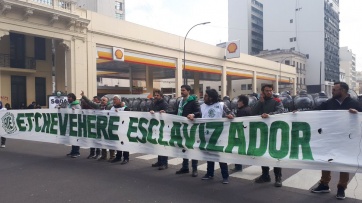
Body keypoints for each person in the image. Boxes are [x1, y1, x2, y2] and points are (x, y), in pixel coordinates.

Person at [311, 82, 361, 200]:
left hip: (347, 138)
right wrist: (296, 113)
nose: (332, 91)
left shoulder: (355, 103)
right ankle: (324, 184)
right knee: (326, 160)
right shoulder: (329, 102)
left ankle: (341, 188)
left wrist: (357, 114)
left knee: (344, 162)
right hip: (330, 137)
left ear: (342, 90)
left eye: (334, 89)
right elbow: (313, 111)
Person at [161, 85, 201, 177]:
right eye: (181, 90)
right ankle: (185, 167)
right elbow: (176, 112)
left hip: (191, 129)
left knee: (192, 148)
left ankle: (194, 169)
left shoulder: (194, 102)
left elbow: (199, 112)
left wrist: (193, 114)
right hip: (181, 128)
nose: (181, 92)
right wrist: (166, 113)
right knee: (183, 148)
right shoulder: (180, 101)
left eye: (183, 90)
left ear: (188, 91)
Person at [252, 84, 284, 187]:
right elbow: (253, 112)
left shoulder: (276, 101)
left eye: (270, 90)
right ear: (262, 92)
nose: (269, 92)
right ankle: (265, 175)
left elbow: (281, 111)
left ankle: (278, 177)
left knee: (275, 155)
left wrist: (269, 115)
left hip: (274, 132)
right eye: (267, 91)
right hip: (262, 132)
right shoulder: (259, 102)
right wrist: (260, 103)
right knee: (263, 154)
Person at [200, 89, 234, 184]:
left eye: (206, 96)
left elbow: (231, 113)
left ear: (211, 97)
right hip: (207, 134)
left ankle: (225, 176)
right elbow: (198, 115)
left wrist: (230, 116)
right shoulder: (202, 106)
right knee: (209, 155)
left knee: (221, 157)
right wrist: (192, 115)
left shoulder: (221, 105)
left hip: (219, 135)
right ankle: (209, 173)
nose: (204, 97)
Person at [80, 91, 114, 161]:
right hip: (100, 127)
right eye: (101, 100)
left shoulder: (110, 107)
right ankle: (104, 156)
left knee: (110, 142)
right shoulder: (98, 106)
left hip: (108, 127)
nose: (102, 101)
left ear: (107, 101)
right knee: (102, 141)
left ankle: (112, 156)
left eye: (104, 100)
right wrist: (84, 96)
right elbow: (90, 102)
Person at [230, 94, 252, 172]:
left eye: (238, 101)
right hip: (247, 132)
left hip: (241, 133)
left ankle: (238, 166)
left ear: (242, 102)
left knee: (238, 150)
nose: (237, 103)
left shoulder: (242, 111)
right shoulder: (249, 109)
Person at [149, 89, 169, 170]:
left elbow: (168, 112)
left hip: (163, 127)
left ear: (161, 96)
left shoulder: (164, 104)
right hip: (156, 127)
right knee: (158, 144)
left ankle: (164, 163)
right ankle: (160, 161)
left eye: (157, 95)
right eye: (155, 95)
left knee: (163, 145)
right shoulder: (154, 103)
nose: (156, 97)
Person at [110, 95, 131, 165]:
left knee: (124, 143)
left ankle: (126, 158)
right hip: (116, 128)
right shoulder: (112, 108)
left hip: (123, 128)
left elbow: (128, 113)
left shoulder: (124, 108)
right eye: (113, 99)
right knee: (118, 143)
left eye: (115, 99)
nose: (114, 100)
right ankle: (118, 157)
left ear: (119, 100)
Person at [62, 93, 82, 158]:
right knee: (72, 138)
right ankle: (73, 151)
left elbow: (79, 112)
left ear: (73, 98)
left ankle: (76, 152)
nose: (68, 98)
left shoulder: (77, 105)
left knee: (75, 138)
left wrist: (75, 111)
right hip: (70, 123)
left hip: (75, 124)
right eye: (68, 97)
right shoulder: (69, 104)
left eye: (69, 97)